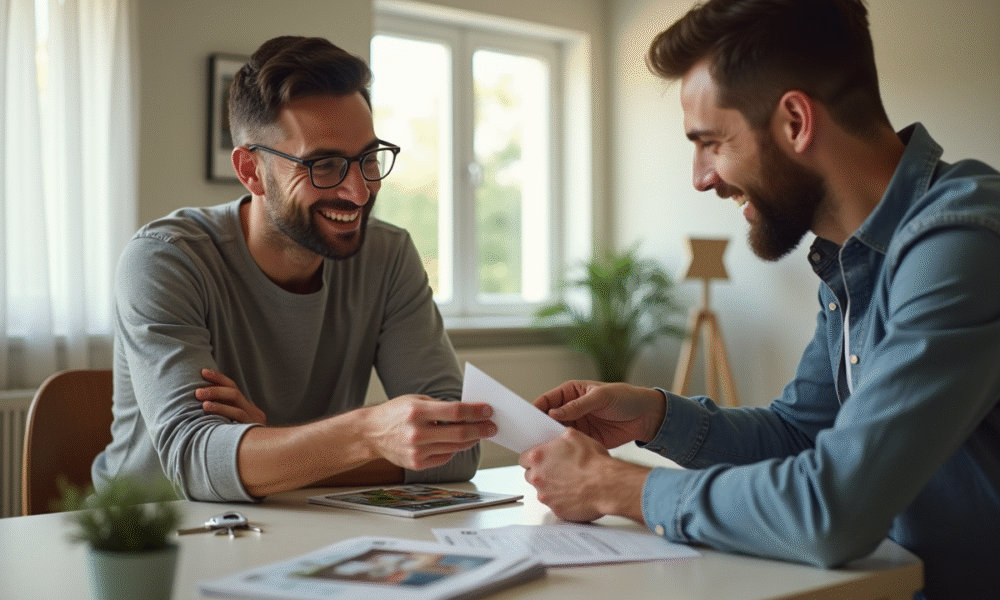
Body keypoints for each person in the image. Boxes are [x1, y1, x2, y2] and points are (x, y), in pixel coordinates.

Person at [518, 1, 1000, 599]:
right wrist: (655, 416)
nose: (700, 177)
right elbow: (801, 435)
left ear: (795, 121)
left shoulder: (962, 243)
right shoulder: (855, 256)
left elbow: (834, 505)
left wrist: (613, 487)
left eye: (710, 143)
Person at [92, 36, 496, 502]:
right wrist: (365, 433)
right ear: (250, 171)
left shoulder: (387, 256)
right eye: (323, 165)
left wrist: (267, 449)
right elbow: (196, 461)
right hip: (145, 540)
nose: (359, 192)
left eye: (367, 159)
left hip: (292, 525)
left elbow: (456, 448)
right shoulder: (166, 258)